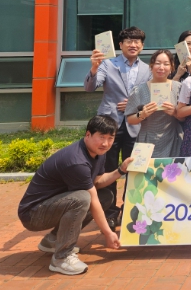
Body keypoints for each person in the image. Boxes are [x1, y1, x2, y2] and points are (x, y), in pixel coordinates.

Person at [17, 116, 130, 276]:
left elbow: (97, 182)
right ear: (88, 135)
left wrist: (121, 170)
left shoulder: (98, 152)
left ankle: (53, 240)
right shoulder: (76, 161)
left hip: (53, 205)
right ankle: (61, 258)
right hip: (33, 214)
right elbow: (91, 198)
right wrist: (108, 233)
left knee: (105, 196)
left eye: (110, 138)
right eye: (101, 137)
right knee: (82, 199)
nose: (105, 143)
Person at [84, 26, 150, 227]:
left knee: (134, 169)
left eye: (137, 41)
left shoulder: (147, 69)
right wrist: (94, 68)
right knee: (109, 169)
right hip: (109, 127)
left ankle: (130, 209)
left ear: (142, 45)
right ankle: (110, 213)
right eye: (129, 41)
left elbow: (149, 96)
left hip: (135, 125)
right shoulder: (107, 64)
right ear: (120, 45)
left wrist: (134, 104)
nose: (133, 44)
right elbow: (90, 87)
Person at [124, 50, 183, 158]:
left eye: (166, 64)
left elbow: (185, 117)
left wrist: (175, 113)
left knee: (172, 168)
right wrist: (142, 114)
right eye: (157, 63)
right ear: (151, 66)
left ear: (172, 67)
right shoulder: (139, 90)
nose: (161, 67)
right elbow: (130, 120)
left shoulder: (179, 88)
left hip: (173, 139)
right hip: (147, 140)